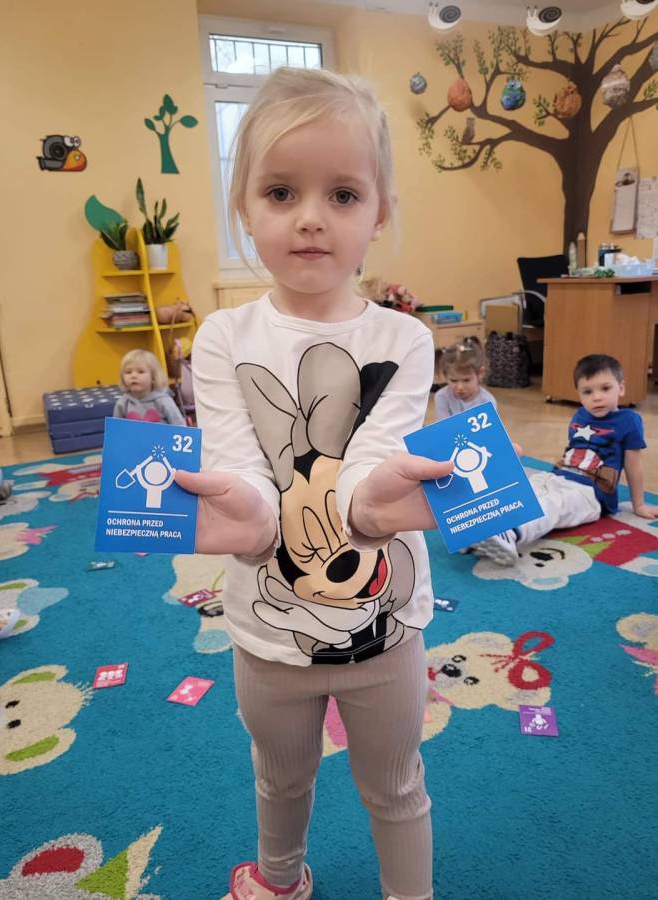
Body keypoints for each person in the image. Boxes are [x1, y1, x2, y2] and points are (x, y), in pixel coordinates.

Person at [174, 67, 453, 900]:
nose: (308, 217)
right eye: (280, 191)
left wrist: (371, 503)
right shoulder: (222, 336)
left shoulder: (404, 339)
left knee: (395, 787)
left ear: (379, 213)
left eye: (342, 194)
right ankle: (279, 879)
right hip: (266, 633)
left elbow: (373, 460)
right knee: (280, 776)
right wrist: (249, 516)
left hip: (385, 628)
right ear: (243, 208)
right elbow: (238, 462)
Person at [473, 353, 658, 566]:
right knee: (523, 490)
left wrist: (639, 504)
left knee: (552, 506)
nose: (597, 397)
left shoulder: (629, 420)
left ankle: (512, 533)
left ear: (621, 388)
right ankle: (481, 531)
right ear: (579, 394)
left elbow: (633, 464)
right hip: (557, 477)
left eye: (605, 388)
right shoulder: (580, 415)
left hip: (590, 492)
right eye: (587, 392)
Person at [112, 349, 185, 425]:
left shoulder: (163, 401)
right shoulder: (123, 403)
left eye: (141, 372)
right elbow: (116, 428)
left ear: (153, 377)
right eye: (128, 372)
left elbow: (180, 425)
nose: (133, 376)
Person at [434, 337, 496, 420]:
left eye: (466, 380)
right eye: (453, 380)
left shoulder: (487, 401)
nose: (460, 387)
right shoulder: (442, 397)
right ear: (446, 376)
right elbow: (444, 425)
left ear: (480, 373)